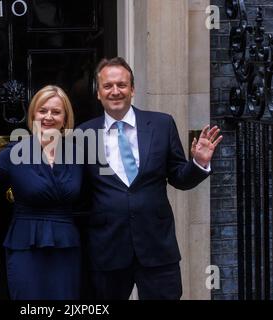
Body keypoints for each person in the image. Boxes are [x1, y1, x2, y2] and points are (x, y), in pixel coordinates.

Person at [78, 57, 222, 300]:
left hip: (157, 247)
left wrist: (199, 162)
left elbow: (179, 177)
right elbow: (77, 189)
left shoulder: (161, 124)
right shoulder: (83, 134)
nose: (115, 91)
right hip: (107, 249)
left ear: (132, 89)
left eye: (122, 85)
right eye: (108, 86)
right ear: (98, 93)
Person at [0, 85, 83, 300]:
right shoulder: (14, 152)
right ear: (33, 114)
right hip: (26, 245)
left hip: (65, 246)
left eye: (56, 112)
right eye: (42, 110)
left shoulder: (77, 154)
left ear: (65, 118)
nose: (48, 117)